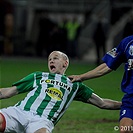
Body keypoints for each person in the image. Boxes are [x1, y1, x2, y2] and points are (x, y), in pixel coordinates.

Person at [0, 51, 121, 133]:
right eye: (49, 59)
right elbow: (9, 92)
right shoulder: (38, 76)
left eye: (55, 58)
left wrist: (126, 104)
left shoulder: (75, 84)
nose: (51, 61)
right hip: (19, 112)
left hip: (42, 121)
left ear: (65, 63)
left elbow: (102, 103)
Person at [69, 35, 133, 133]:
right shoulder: (128, 42)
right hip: (131, 98)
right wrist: (81, 77)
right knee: (125, 130)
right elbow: (107, 66)